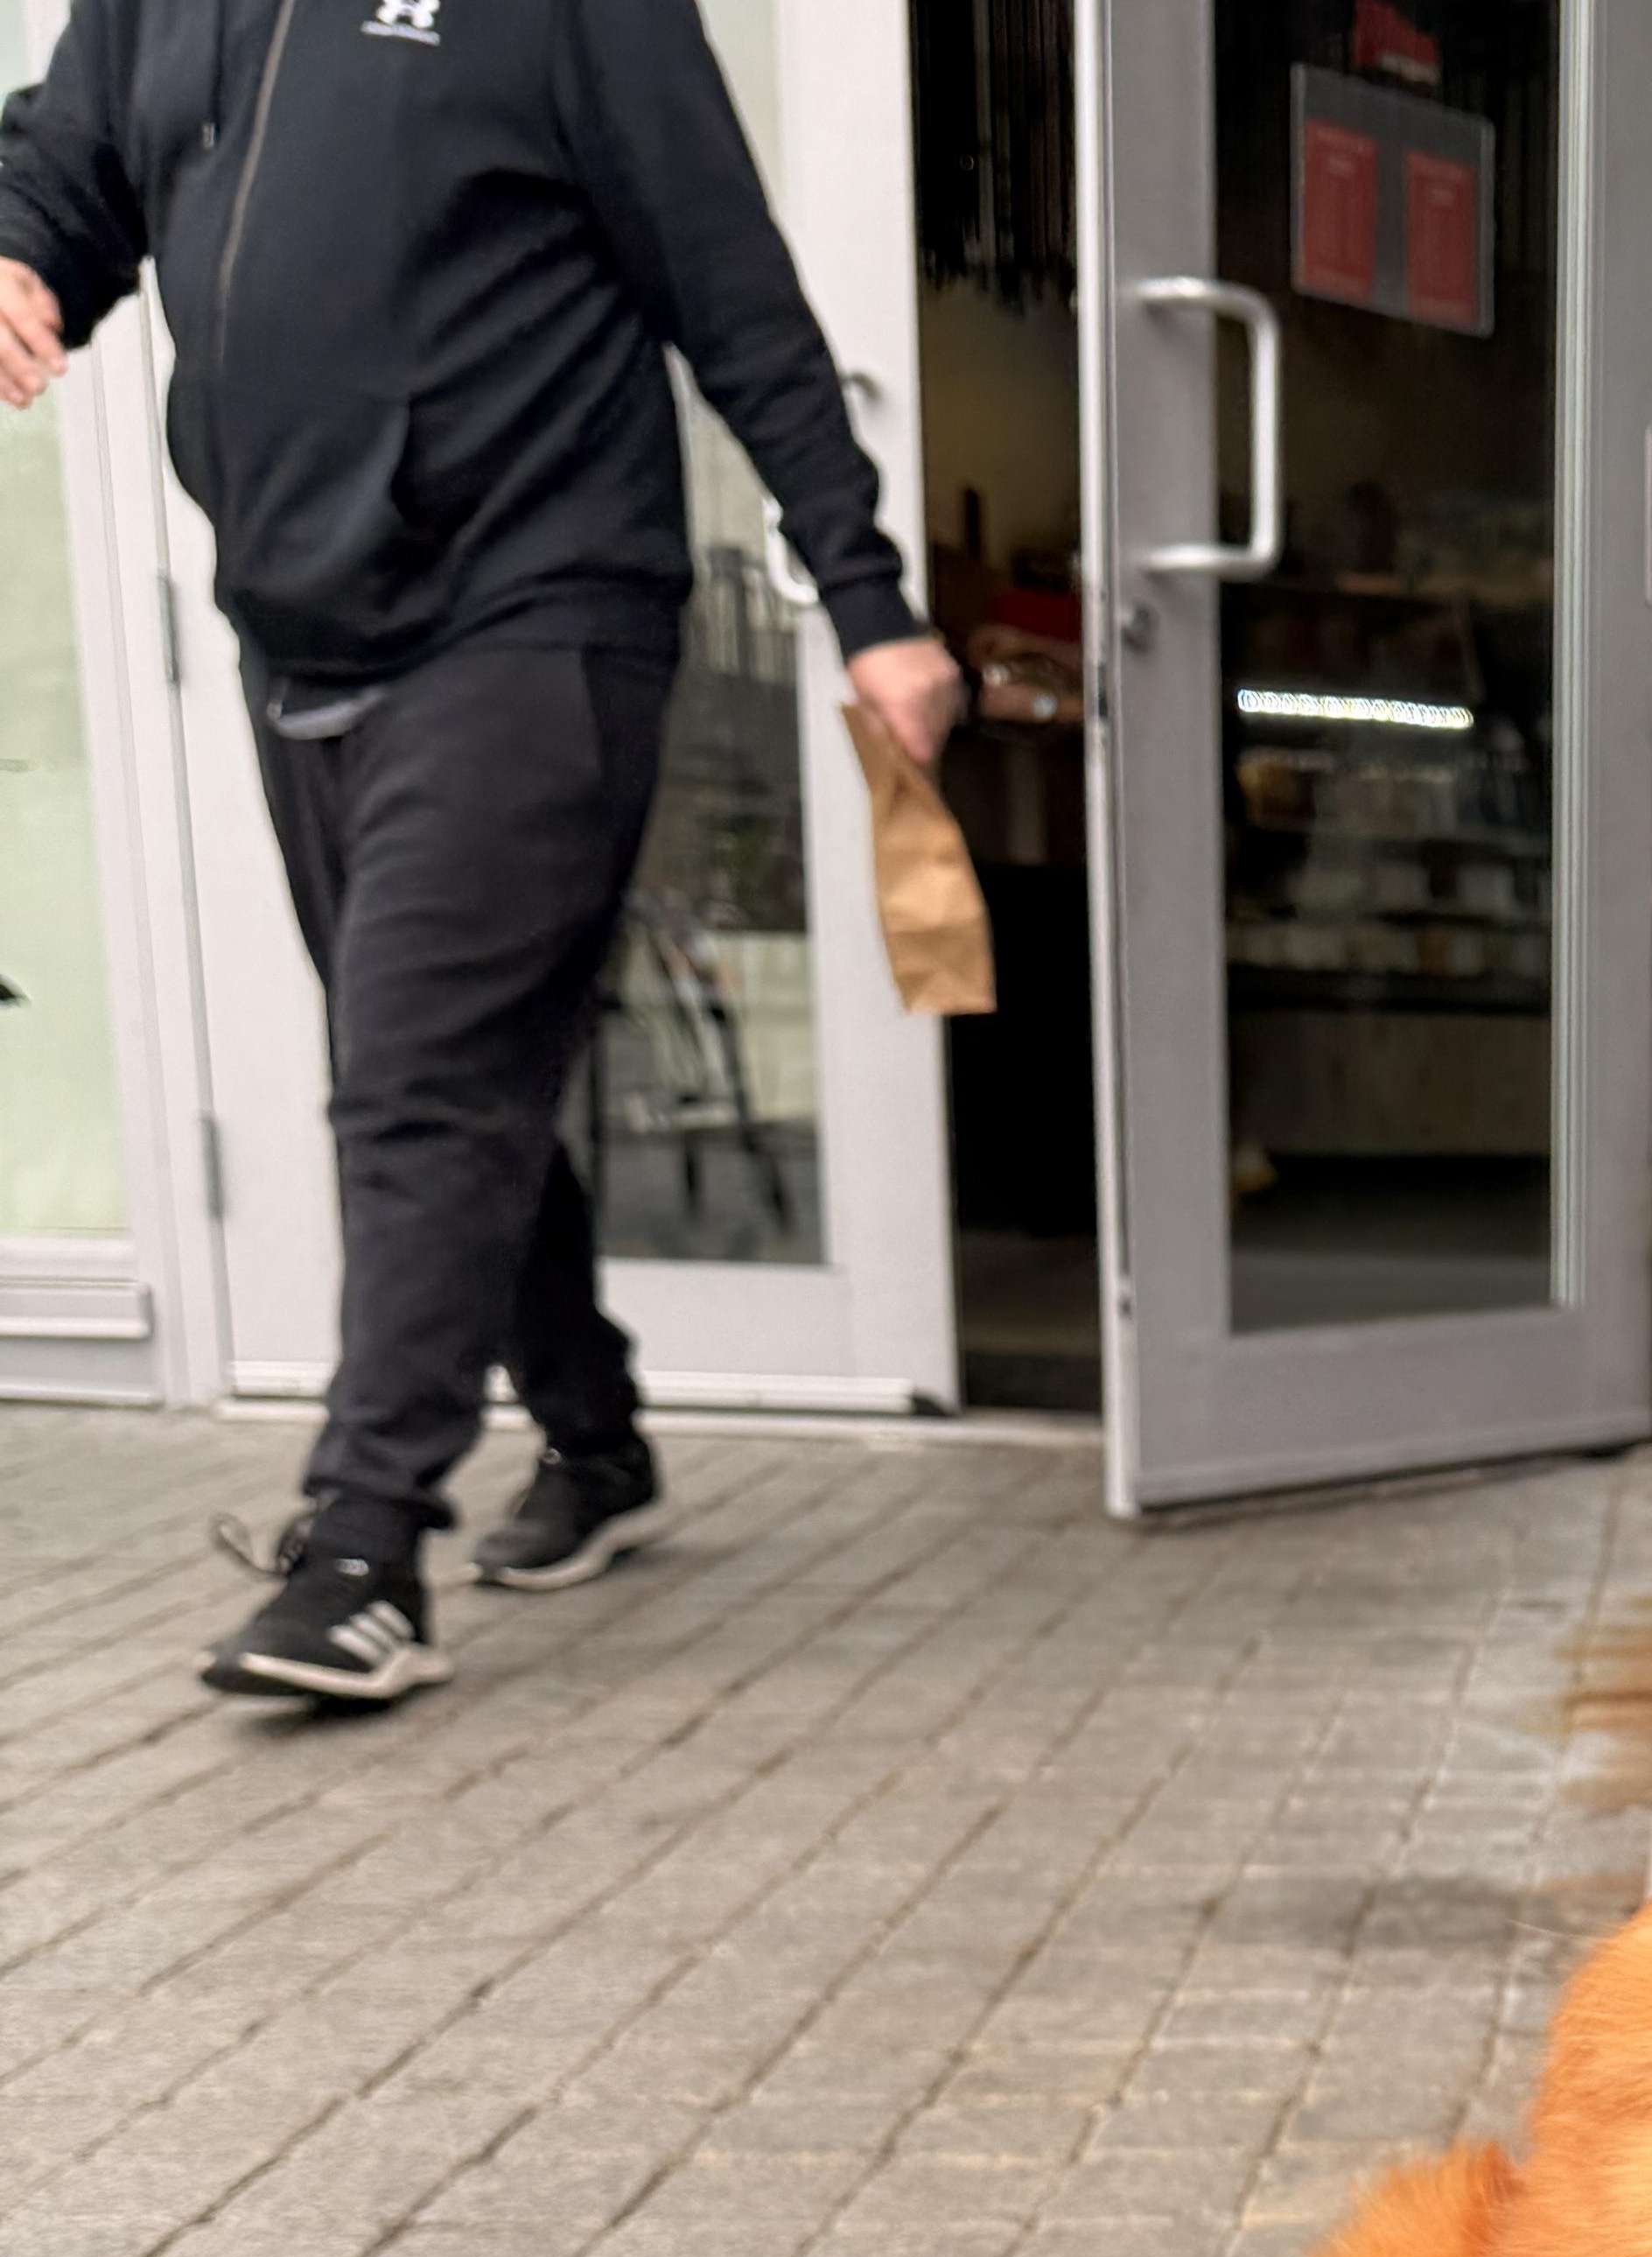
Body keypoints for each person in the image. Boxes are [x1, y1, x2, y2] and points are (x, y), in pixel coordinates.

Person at [0, 0, 963, 1702]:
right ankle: (592, 1435)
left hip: (538, 605)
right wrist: (17, 253)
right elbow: (71, 176)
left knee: (419, 1081)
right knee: (442, 1065)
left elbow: (734, 297)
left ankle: (364, 1543)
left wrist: (869, 601)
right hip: (300, 630)